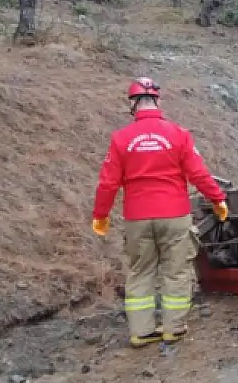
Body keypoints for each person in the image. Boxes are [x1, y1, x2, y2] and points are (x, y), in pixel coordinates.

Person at [91, 77, 229, 348]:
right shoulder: (178, 134)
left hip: (137, 218)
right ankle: (173, 328)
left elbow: (108, 182)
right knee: (176, 271)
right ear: (157, 101)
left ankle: (141, 332)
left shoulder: (121, 139)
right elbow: (198, 173)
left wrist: (101, 215)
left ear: (132, 105)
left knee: (140, 272)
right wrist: (218, 199)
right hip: (174, 214)